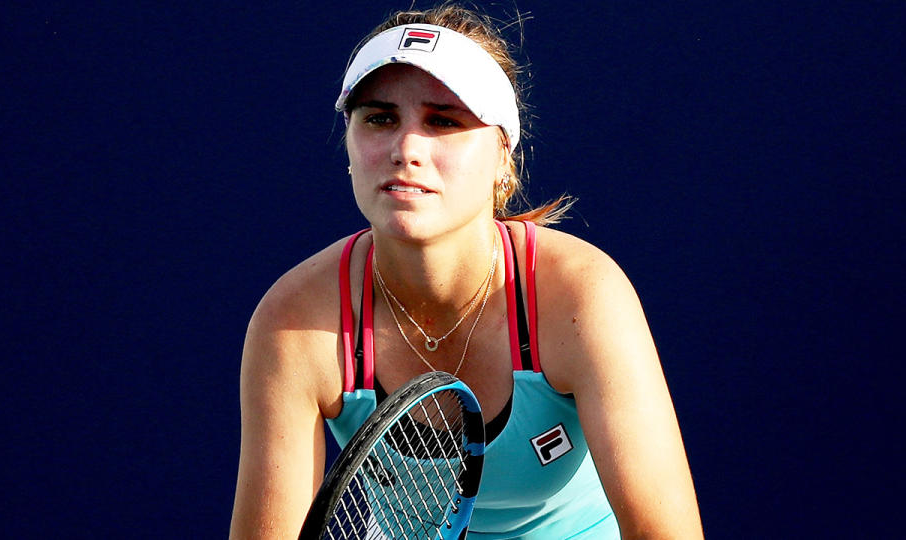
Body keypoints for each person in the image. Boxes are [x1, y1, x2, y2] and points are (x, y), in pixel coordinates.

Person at [230, 4, 703, 539]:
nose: (406, 149)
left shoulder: (581, 296)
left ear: (504, 155)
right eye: (379, 118)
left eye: (444, 121)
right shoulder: (292, 320)